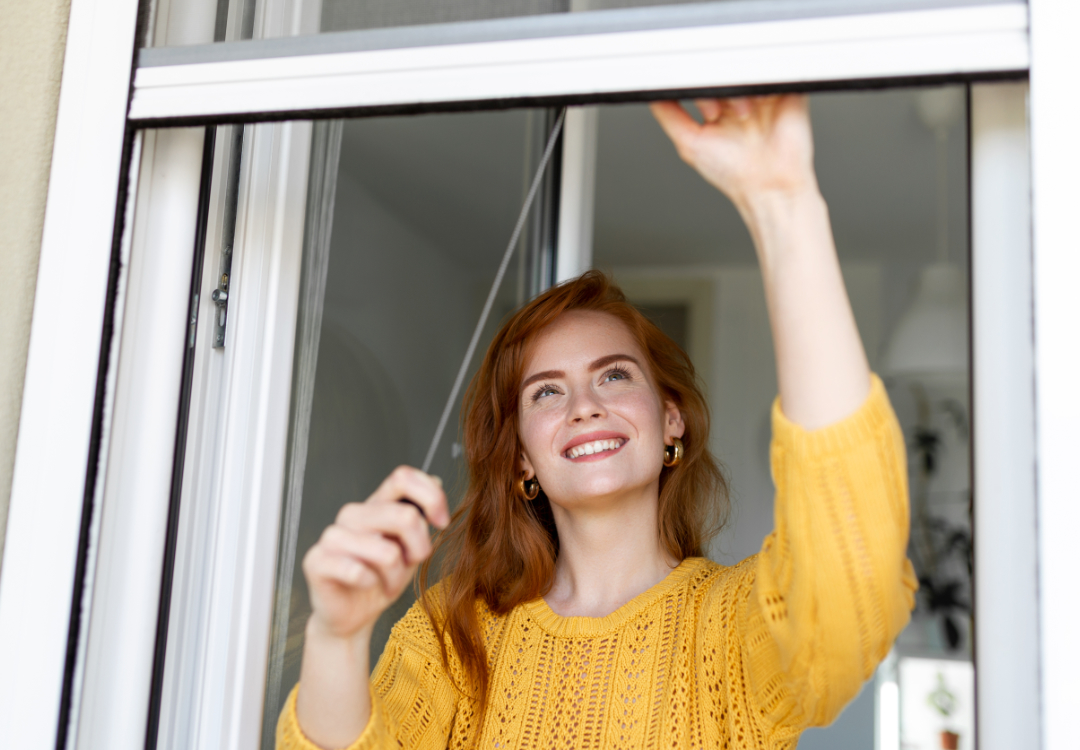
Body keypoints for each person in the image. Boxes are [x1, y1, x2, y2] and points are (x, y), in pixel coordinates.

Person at [277, 94, 917, 750]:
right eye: (545, 393)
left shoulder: (736, 626)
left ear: (673, 421)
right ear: (522, 457)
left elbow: (852, 572)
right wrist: (338, 634)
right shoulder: (450, 634)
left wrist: (785, 205)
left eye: (614, 375)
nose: (584, 404)